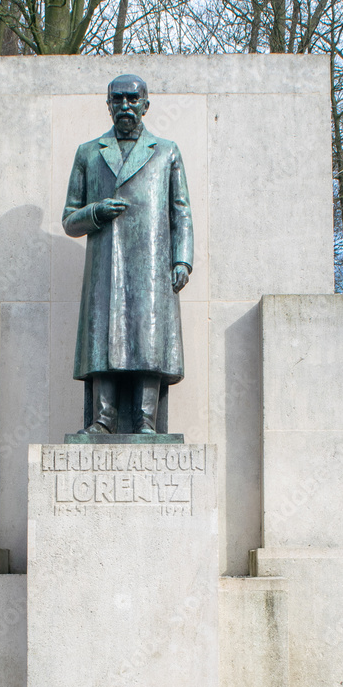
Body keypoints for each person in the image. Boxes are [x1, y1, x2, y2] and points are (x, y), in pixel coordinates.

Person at [62, 74, 193, 435]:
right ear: (108, 105)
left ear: (145, 105)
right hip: (106, 265)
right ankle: (102, 420)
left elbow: (180, 211)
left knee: (148, 338)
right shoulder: (89, 153)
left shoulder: (166, 151)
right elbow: (70, 219)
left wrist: (182, 259)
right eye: (117, 100)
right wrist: (95, 212)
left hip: (152, 264)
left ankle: (146, 422)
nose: (124, 106)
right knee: (104, 336)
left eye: (132, 100)